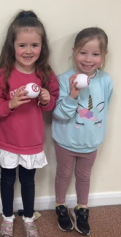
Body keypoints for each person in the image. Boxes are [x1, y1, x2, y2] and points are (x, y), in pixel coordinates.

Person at [0, 10, 59, 237]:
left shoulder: (45, 73)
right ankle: (7, 218)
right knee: (7, 181)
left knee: (28, 182)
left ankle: (29, 218)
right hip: (7, 141)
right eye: (22, 45)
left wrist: (47, 100)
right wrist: (11, 103)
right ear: (12, 46)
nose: (29, 51)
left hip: (31, 142)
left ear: (42, 47)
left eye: (34, 45)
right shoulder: (2, 74)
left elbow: (52, 104)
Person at [52, 27, 113, 235]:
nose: (88, 59)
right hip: (65, 141)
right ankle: (60, 206)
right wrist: (72, 95)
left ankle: (82, 208)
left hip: (90, 142)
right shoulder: (63, 79)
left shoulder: (106, 81)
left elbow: (102, 110)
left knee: (84, 177)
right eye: (83, 52)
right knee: (64, 174)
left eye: (95, 54)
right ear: (74, 51)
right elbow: (59, 114)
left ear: (103, 56)